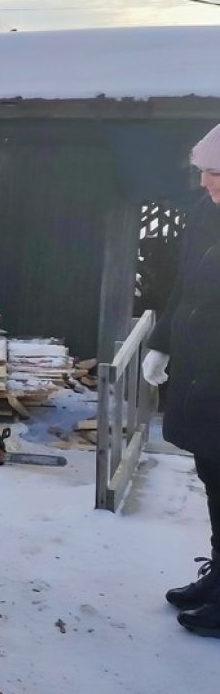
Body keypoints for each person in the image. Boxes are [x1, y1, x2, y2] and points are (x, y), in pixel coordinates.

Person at [143, 123, 220, 638]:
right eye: (205, 174)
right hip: (201, 372)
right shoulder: (205, 217)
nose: (209, 184)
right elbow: (182, 291)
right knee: (213, 477)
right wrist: (162, 341)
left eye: (217, 174)